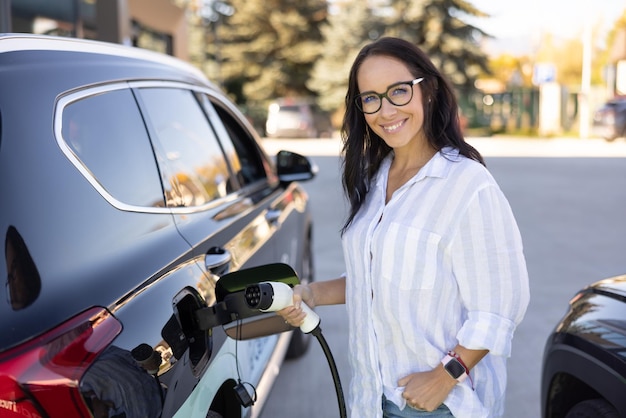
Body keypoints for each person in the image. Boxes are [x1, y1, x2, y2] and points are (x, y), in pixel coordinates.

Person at [279, 37, 530, 418]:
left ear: (426, 90)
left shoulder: (467, 184)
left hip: (438, 403)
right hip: (371, 397)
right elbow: (377, 276)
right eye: (370, 98)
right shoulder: (377, 177)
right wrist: (311, 293)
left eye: (398, 91)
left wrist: (447, 375)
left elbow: (500, 305)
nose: (385, 110)